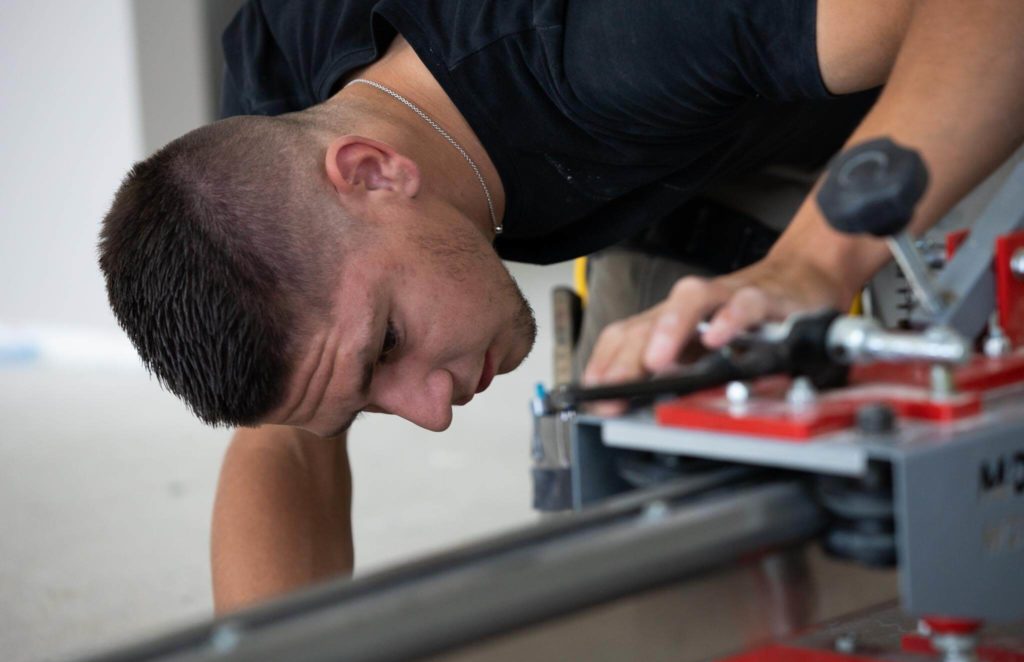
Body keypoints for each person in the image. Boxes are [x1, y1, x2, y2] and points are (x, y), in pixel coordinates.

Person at [98, 0, 1024, 613]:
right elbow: (289, 434)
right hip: (698, 133)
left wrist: (809, 266)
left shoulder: (612, 38)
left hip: (914, 50)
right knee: (667, 536)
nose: (431, 410)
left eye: (389, 343)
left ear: (374, 171)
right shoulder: (273, 129)